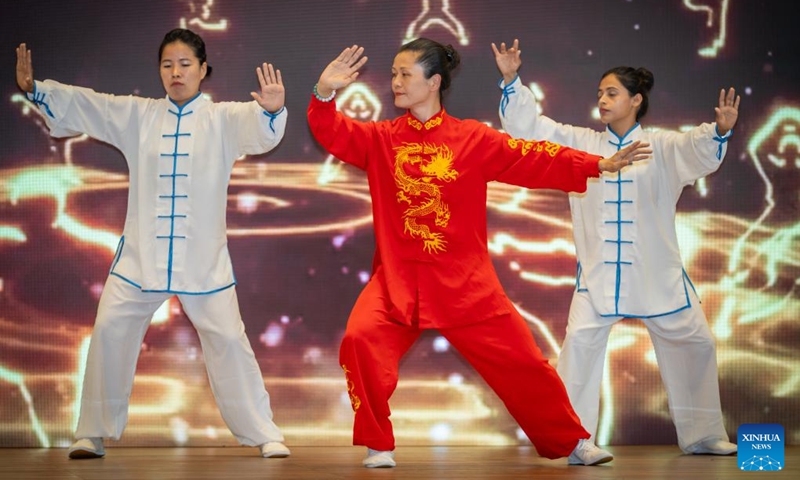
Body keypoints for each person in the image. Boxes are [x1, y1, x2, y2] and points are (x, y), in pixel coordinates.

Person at [307, 38, 651, 469]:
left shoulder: (471, 138)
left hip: (465, 285)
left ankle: (573, 441)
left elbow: (532, 157)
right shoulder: (381, 139)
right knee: (360, 340)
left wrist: (594, 164)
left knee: (525, 364)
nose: (395, 82)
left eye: (404, 74)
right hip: (397, 283)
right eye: (393, 74)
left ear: (433, 82)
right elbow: (332, 131)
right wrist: (324, 93)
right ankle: (379, 443)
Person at [15, 28, 291, 459]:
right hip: (140, 259)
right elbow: (92, 105)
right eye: (167, 65)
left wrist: (272, 112)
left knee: (230, 342)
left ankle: (264, 432)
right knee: (109, 331)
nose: (176, 73)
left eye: (185, 64)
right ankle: (93, 431)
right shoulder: (139, 115)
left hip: (203, 261)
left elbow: (260, 130)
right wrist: (37, 90)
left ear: (203, 70)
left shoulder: (222, 118)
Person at [493, 39, 740, 455]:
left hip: (657, 273)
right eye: (600, 94)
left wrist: (719, 130)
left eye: (612, 93)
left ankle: (703, 435)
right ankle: (576, 441)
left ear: (636, 100)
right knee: (579, 351)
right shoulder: (581, 142)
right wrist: (511, 80)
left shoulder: (660, 145)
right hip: (598, 275)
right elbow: (530, 130)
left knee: (696, 344)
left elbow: (696, 151)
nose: (603, 100)